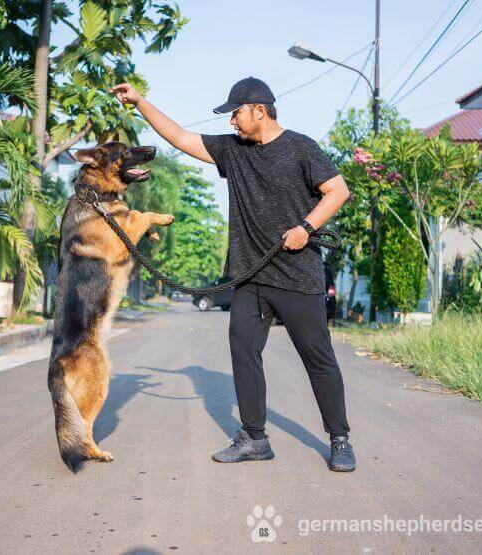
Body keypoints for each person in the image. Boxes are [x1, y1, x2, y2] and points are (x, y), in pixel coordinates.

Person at [110, 77, 355, 472]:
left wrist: (305, 228)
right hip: (250, 277)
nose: (232, 123)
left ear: (260, 109)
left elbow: (338, 191)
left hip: (298, 275)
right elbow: (179, 137)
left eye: (236, 113)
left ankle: (339, 438)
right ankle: (255, 438)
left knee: (318, 357)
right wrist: (140, 102)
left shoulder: (301, 148)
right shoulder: (233, 151)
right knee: (243, 349)